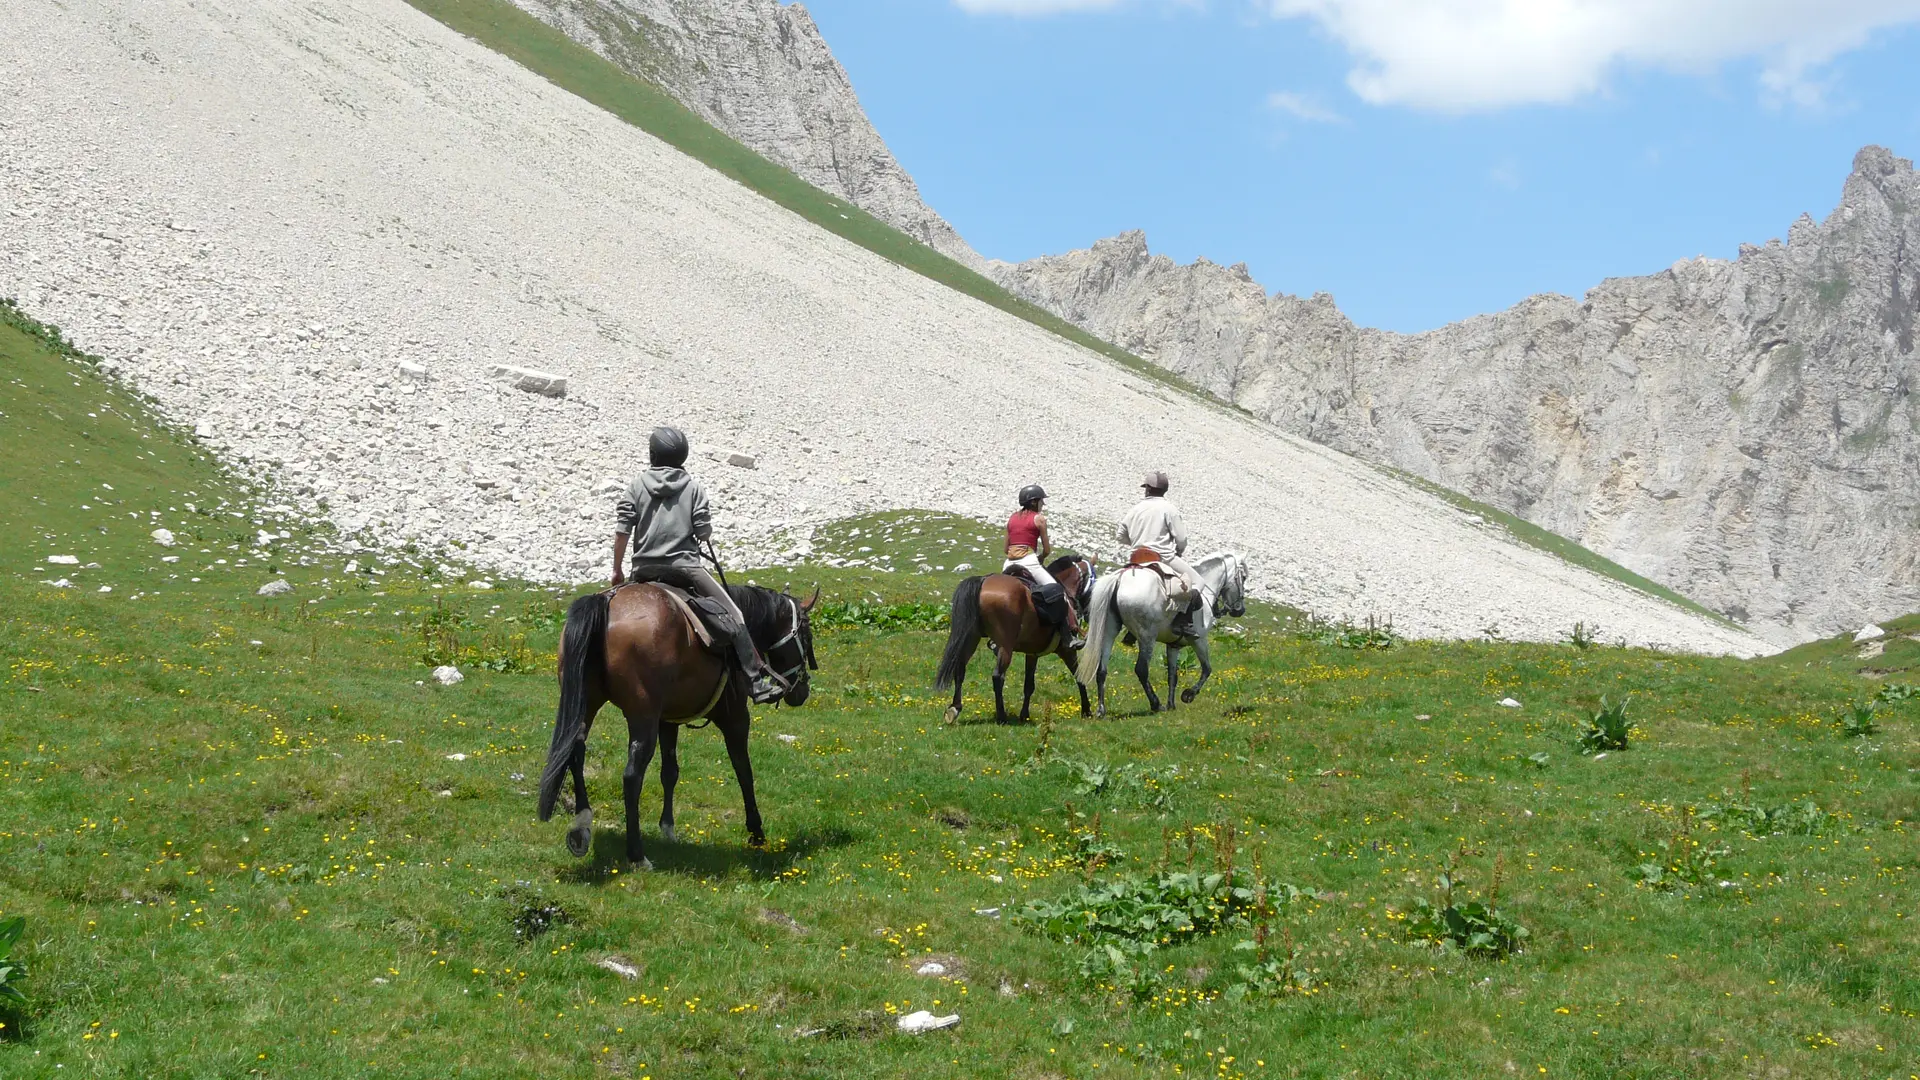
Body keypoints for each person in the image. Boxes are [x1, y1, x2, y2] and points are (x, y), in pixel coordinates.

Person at [611, 426, 788, 704]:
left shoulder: (636, 485)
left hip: (644, 570)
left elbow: (622, 530)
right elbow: (704, 532)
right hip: (685, 568)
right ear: (683, 455)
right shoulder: (692, 487)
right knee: (735, 616)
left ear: (652, 454)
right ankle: (755, 678)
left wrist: (617, 569)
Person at [1116, 470, 1207, 626]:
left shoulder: (1135, 509)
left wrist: (1137, 542)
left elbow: (1120, 535)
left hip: (1136, 558)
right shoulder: (1169, 509)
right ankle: (1184, 621)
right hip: (1162, 557)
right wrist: (1179, 550)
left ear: (1148, 489)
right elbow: (1181, 539)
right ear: (1164, 490)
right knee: (1199, 581)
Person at [1005, 484, 1083, 648]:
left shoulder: (1012, 518)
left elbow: (1006, 549)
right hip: (1029, 561)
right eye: (1041, 501)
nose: (1043, 505)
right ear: (1034, 502)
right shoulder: (1039, 519)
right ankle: (1068, 636)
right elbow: (1047, 550)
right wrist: (1040, 558)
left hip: (1009, 563)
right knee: (1058, 593)